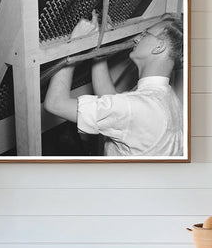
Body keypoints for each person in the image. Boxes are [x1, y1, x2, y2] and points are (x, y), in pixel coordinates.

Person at [43, 12, 184, 157]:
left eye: (145, 34)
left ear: (159, 47)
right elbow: (113, 104)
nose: (136, 38)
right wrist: (100, 51)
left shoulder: (138, 107)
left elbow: (55, 103)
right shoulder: (169, 100)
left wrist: (73, 46)